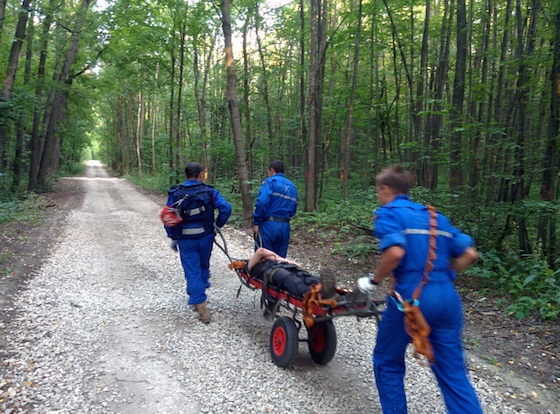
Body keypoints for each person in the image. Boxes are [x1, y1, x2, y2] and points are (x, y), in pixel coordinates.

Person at [357, 165, 482, 414]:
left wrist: (374, 280)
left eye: (377, 190)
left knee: (387, 361)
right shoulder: (436, 216)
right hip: (447, 298)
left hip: (410, 299)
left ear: (385, 188)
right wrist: (447, 274)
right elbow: (469, 253)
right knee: (453, 374)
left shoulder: (389, 213)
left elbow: (395, 252)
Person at [164, 162, 232, 324]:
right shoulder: (209, 191)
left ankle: (200, 304)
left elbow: (168, 217)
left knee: (192, 270)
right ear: (201, 174)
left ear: (186, 175)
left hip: (186, 240)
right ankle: (198, 291)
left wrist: (173, 237)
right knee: (203, 265)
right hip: (205, 237)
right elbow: (226, 208)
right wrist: (217, 225)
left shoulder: (176, 193)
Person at [247, 247, 336, 300]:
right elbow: (260, 251)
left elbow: (271, 256)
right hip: (271, 272)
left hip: (282, 267)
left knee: (304, 276)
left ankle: (325, 288)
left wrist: (287, 261)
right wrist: (281, 259)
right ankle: (313, 293)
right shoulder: (250, 267)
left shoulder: (267, 258)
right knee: (291, 280)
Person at [253, 160, 298, 258]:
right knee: (280, 261)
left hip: (269, 225)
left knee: (263, 259)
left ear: (271, 170)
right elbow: (294, 208)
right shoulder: (292, 187)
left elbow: (262, 202)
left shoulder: (270, 182)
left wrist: (257, 222)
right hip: (285, 226)